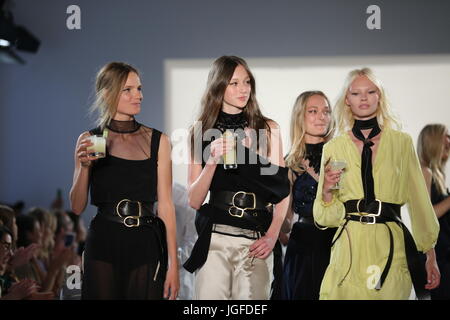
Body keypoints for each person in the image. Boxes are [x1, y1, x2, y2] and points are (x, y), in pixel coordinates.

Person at [313, 67, 440, 300]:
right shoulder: (333, 148)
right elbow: (325, 218)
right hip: (350, 243)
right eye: (356, 93)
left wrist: (430, 253)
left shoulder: (401, 143)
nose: (364, 98)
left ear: (379, 97)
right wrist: (327, 191)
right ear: (347, 100)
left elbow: (419, 199)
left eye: (371, 91)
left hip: (388, 240)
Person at [183, 56, 290, 300]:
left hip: (255, 237)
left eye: (247, 82)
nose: (243, 89)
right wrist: (211, 161)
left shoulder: (268, 128)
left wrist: (273, 234)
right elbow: (194, 200)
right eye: (234, 83)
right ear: (218, 86)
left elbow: (283, 189)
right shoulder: (200, 131)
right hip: (215, 238)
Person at [69, 62, 179, 300]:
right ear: (107, 93)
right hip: (104, 239)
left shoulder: (158, 140)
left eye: (139, 88)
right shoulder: (91, 138)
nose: (138, 95)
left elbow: (167, 205)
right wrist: (84, 168)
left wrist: (173, 265)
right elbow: (77, 207)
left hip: (145, 241)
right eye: (128, 89)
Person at [281, 91, 336, 300]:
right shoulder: (289, 163)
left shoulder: (341, 155)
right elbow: (284, 222)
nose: (321, 117)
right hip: (304, 247)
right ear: (299, 117)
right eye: (313, 111)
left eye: (326, 111)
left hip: (338, 243)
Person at [418, 124, 450, 299]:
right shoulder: (424, 172)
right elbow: (427, 215)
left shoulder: (438, 175)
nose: (449, 141)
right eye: (446, 136)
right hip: (435, 256)